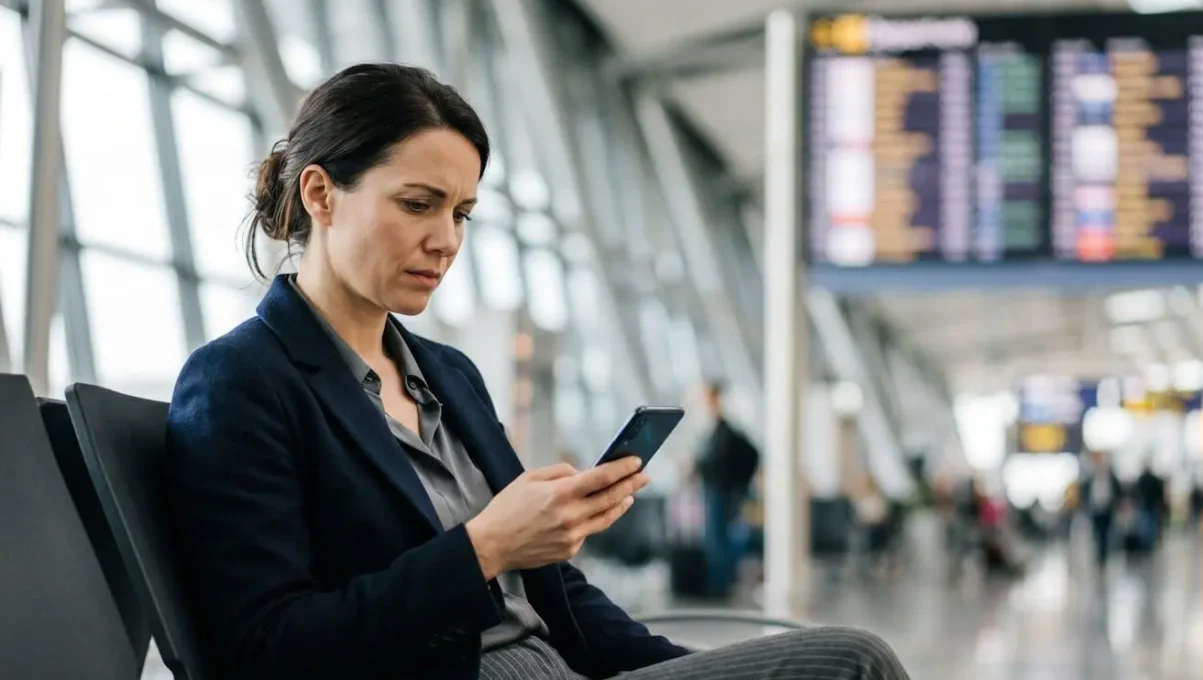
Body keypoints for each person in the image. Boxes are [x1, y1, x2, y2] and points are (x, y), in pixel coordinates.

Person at [165, 64, 908, 680]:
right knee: (855, 661)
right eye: (418, 204)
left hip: (558, 667)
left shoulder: (448, 376)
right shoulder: (241, 381)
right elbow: (266, 650)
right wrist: (486, 546)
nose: (446, 240)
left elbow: (555, 596)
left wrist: (702, 670)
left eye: (462, 213)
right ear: (321, 194)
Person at [694, 383, 760, 599]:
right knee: (716, 541)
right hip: (716, 493)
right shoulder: (714, 433)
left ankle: (719, 587)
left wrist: (740, 484)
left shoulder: (726, 433)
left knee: (719, 542)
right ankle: (718, 585)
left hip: (722, 494)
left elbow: (751, 455)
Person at [1080, 450, 1122, 567]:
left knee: (1105, 533)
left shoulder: (1111, 478)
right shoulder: (1091, 479)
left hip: (1107, 509)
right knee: (1097, 533)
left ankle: (1103, 557)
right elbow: (1085, 494)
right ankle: (1099, 555)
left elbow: (1118, 491)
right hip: (1095, 509)